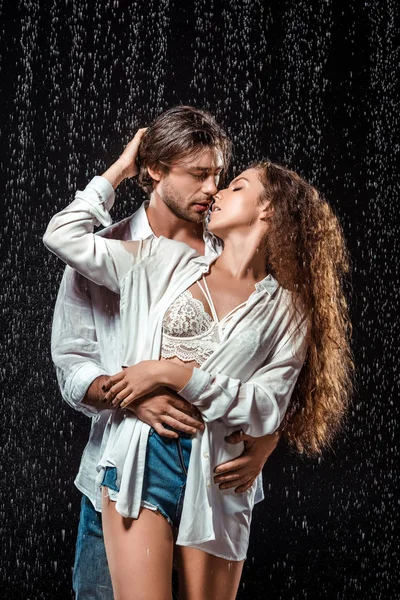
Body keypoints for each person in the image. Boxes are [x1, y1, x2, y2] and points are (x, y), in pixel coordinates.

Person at [44, 126, 353, 599]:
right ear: (156, 171)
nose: (214, 190)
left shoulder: (284, 304)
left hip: (218, 469)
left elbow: (270, 399)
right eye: (201, 176)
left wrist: (180, 378)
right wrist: (120, 170)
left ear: (267, 210)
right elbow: (73, 359)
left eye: (225, 180)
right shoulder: (156, 258)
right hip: (134, 455)